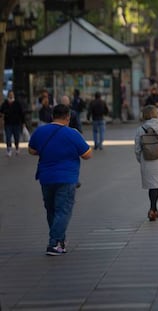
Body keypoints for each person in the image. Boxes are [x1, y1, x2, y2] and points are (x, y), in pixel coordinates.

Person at [28, 104, 92, 255]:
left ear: (52, 116)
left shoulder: (40, 131)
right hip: (67, 177)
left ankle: (60, 241)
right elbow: (87, 154)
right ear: (68, 117)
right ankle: (54, 243)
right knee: (63, 210)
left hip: (46, 177)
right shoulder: (72, 133)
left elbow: (31, 150)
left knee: (51, 210)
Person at [135, 105, 158, 221]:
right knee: (156, 186)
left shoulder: (140, 129)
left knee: (152, 186)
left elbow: (137, 148)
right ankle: (153, 209)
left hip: (146, 160)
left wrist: (140, 159)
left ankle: (153, 209)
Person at [0, 90, 25, 157]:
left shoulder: (17, 103)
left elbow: (21, 113)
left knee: (16, 137)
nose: (11, 95)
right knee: (8, 137)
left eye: (12, 94)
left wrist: (23, 122)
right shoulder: (5, 103)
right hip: (8, 123)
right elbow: (1, 112)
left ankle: (17, 148)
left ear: (13, 95)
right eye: (10, 94)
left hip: (16, 123)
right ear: (8, 95)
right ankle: (9, 150)